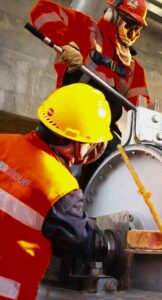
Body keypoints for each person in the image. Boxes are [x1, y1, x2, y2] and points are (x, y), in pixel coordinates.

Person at [0, 83, 114, 300]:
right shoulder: (60, 189)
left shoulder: (2, 142)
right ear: (79, 143)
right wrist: (98, 237)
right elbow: (78, 243)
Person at [30, 0, 151, 189]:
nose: (134, 34)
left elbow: (142, 109)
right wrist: (64, 42)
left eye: (138, 30)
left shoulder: (133, 69)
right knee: (44, 174)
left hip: (101, 131)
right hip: (66, 117)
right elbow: (42, 9)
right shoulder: (84, 28)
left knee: (117, 164)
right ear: (113, 15)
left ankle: (84, 210)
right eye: (131, 26)